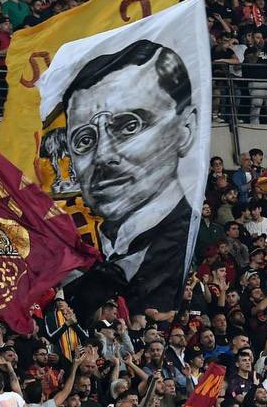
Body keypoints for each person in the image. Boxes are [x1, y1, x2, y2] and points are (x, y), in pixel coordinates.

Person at [53, 40, 198, 312]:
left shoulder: (192, 237)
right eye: (84, 140)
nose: (102, 155)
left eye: (129, 126)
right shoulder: (81, 247)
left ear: (185, 129)